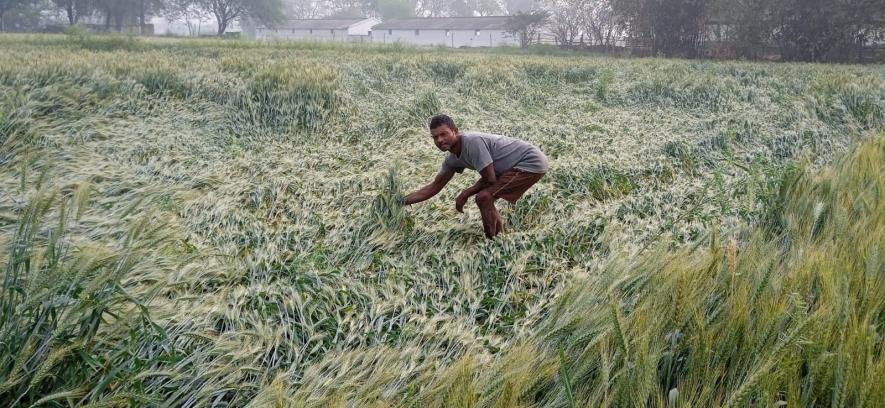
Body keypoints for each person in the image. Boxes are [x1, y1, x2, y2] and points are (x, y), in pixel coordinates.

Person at [403, 114, 548, 239]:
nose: (439, 140)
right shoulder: (451, 160)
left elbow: (490, 178)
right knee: (485, 198)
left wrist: (464, 194)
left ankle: (493, 242)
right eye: (435, 137)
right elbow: (433, 187)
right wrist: (400, 201)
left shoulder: (472, 142)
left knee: (484, 197)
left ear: (455, 131)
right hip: (509, 167)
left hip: (530, 162)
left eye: (444, 134)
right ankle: (499, 237)